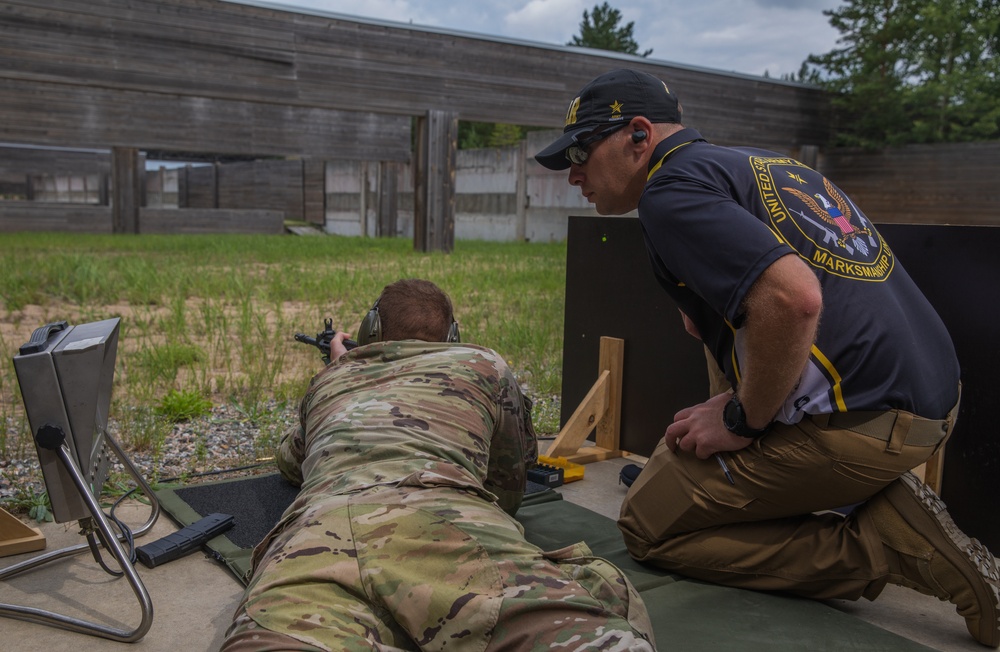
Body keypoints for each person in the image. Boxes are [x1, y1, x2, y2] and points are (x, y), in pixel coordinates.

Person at [535, 68, 999, 648]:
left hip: (868, 424)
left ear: (638, 134)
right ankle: (839, 489)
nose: (573, 172)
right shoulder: (756, 164)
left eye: (582, 149)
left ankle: (880, 543)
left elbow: (793, 297)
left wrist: (742, 419)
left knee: (649, 526)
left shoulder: (668, 192)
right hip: (936, 402)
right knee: (676, 465)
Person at [221, 278, 655, 651]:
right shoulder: (483, 364)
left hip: (315, 534)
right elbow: (509, 483)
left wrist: (344, 376)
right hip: (449, 520)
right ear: (453, 336)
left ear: (370, 329)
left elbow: (291, 463)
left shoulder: (330, 380)